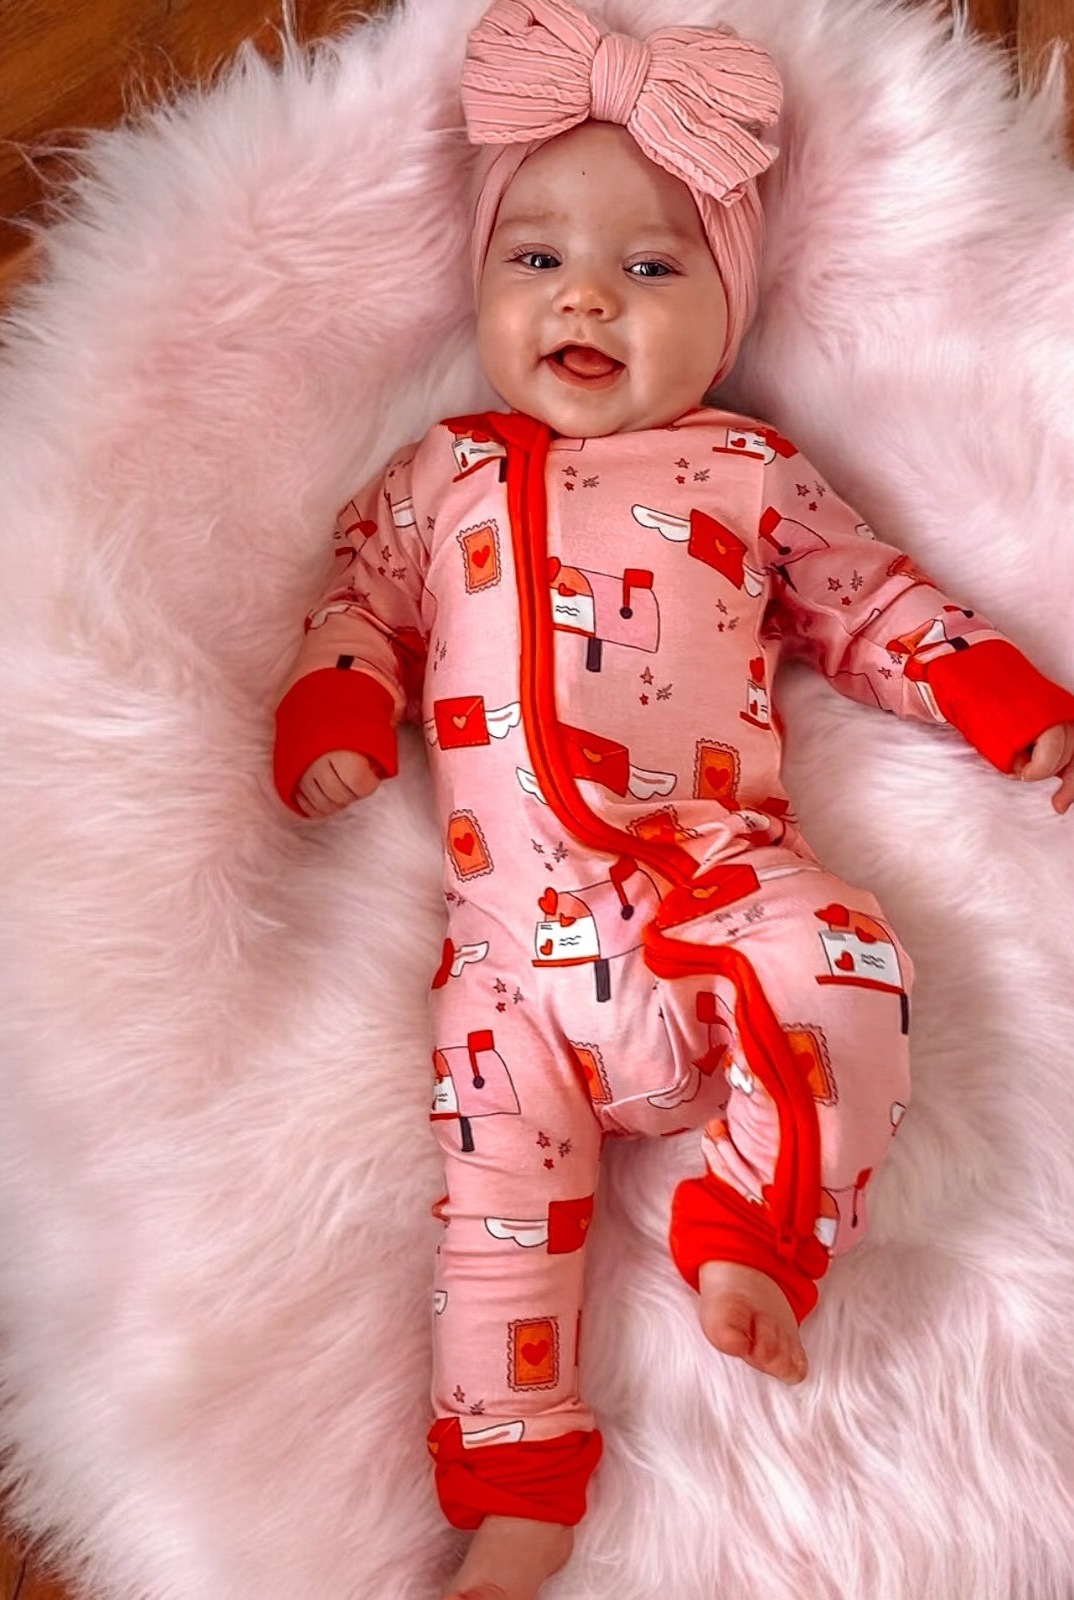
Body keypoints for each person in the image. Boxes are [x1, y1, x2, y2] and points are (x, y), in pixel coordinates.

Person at [272, 3, 1074, 1596]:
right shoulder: (436, 479)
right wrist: (338, 693)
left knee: (849, 965)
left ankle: (761, 1225)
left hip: (720, 885)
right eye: (537, 259)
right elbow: (354, 593)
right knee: (496, 1223)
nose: (584, 293)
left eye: (650, 270)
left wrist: (998, 697)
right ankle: (518, 1492)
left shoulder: (748, 472)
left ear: (726, 314)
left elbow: (869, 604)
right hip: (509, 966)